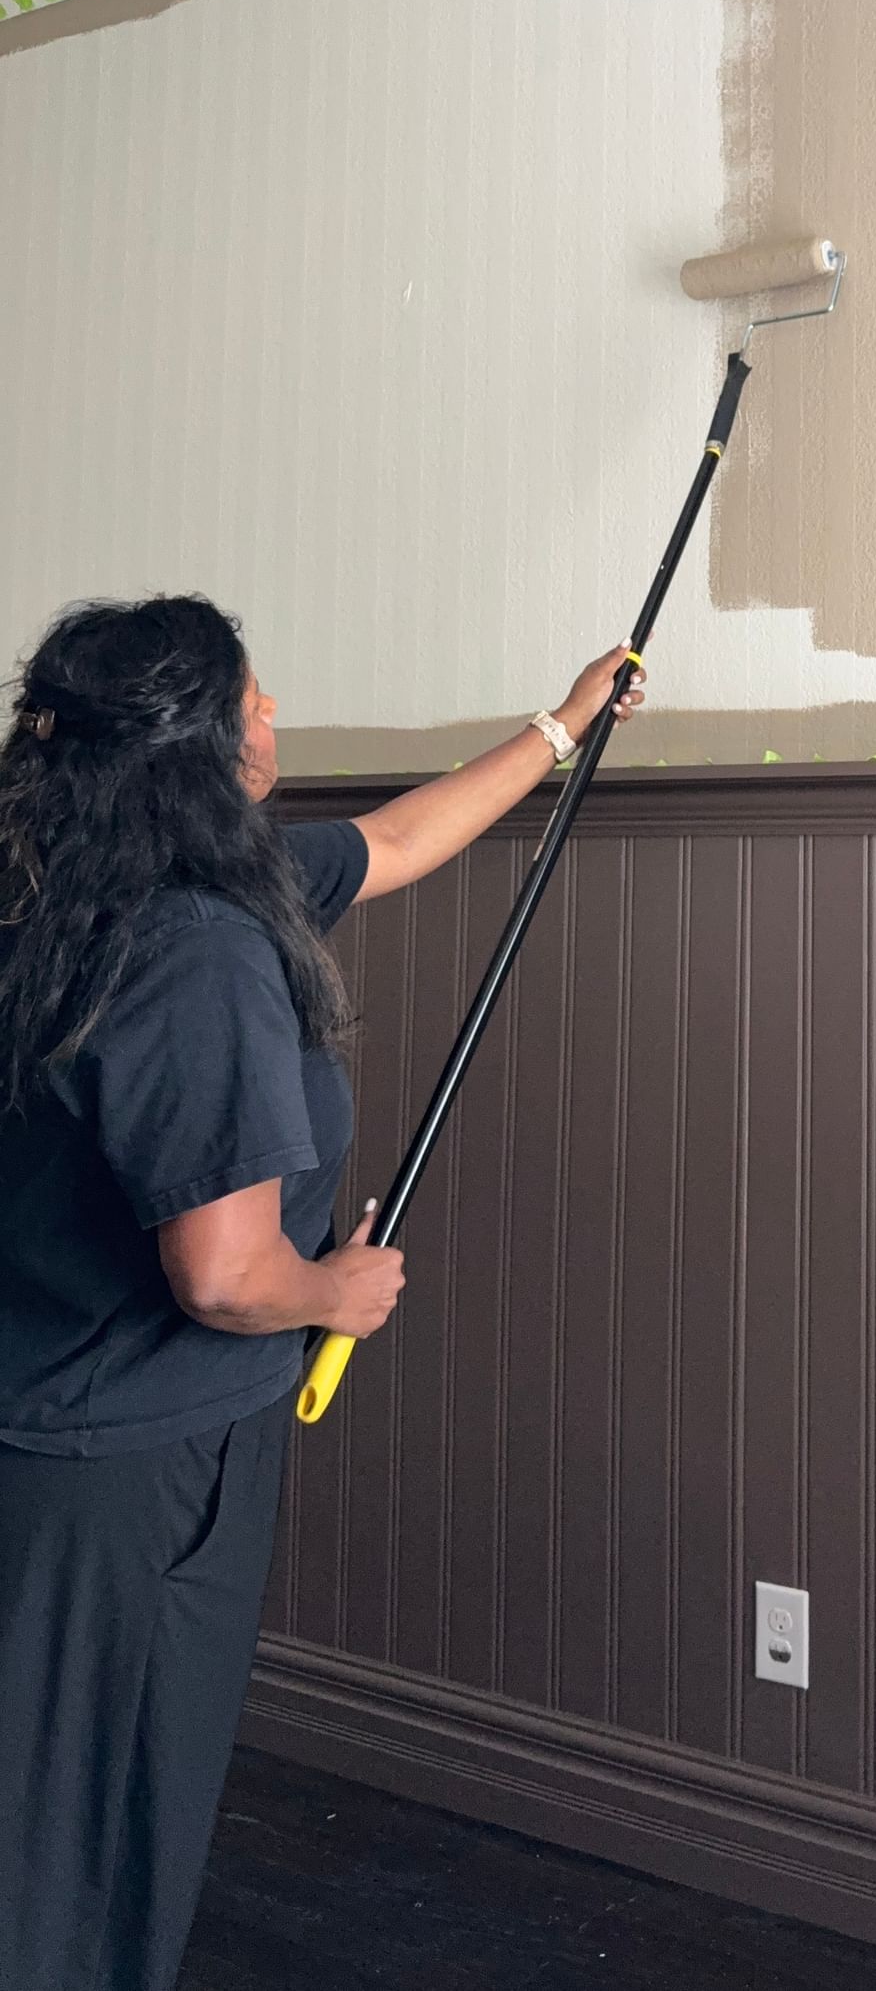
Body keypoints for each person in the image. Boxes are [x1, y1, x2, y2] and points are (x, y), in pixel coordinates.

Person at [0, 594, 643, 1991]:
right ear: (196, 751)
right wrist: (334, 1292)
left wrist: (564, 720)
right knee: (88, 1838)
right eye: (255, 699)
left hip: (48, 1430)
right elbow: (226, 1278)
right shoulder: (194, 946)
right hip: (142, 1473)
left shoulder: (67, 879)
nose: (275, 715)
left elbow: (405, 838)